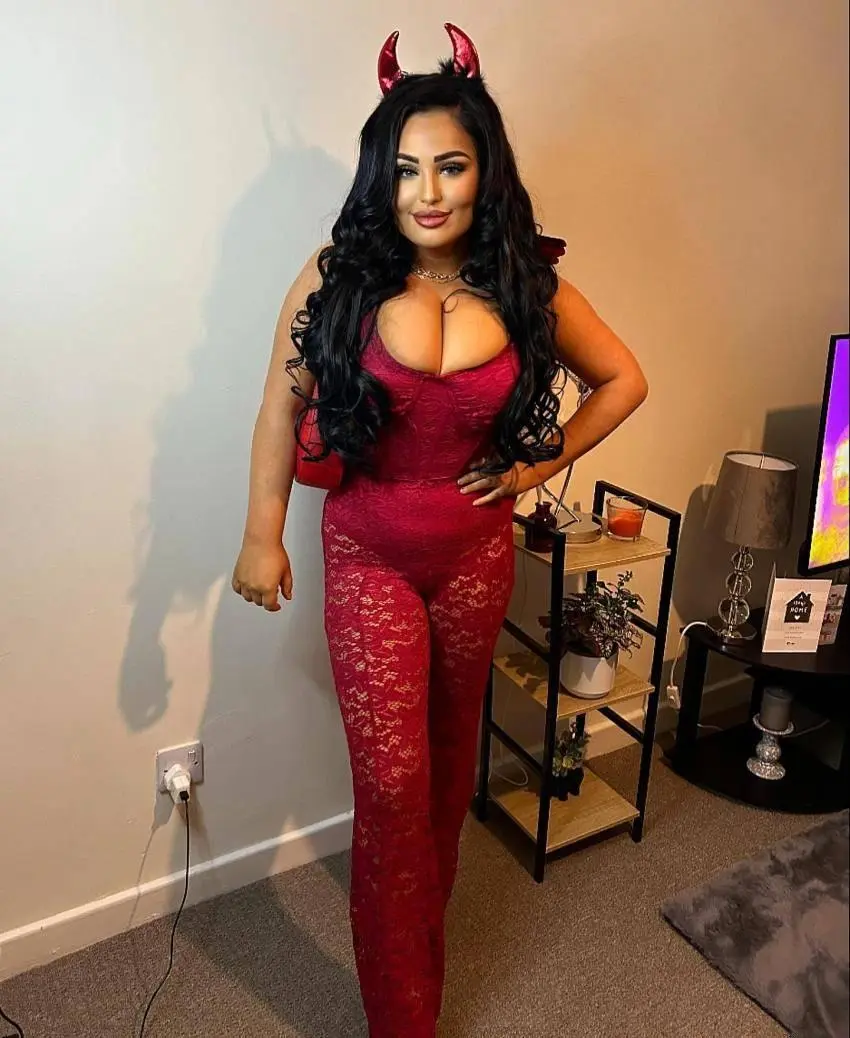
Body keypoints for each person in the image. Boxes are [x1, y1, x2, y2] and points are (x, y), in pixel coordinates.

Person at [232, 24, 648, 1038]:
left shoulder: (527, 283)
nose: (426, 191)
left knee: (449, 771)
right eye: (406, 169)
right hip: (366, 552)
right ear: (382, 176)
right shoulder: (337, 276)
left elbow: (623, 380)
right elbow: (282, 405)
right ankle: (402, 1018)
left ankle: (420, 958)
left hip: (474, 557)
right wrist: (262, 534)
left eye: (449, 167)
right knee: (391, 786)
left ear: (483, 171)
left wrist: (535, 467)